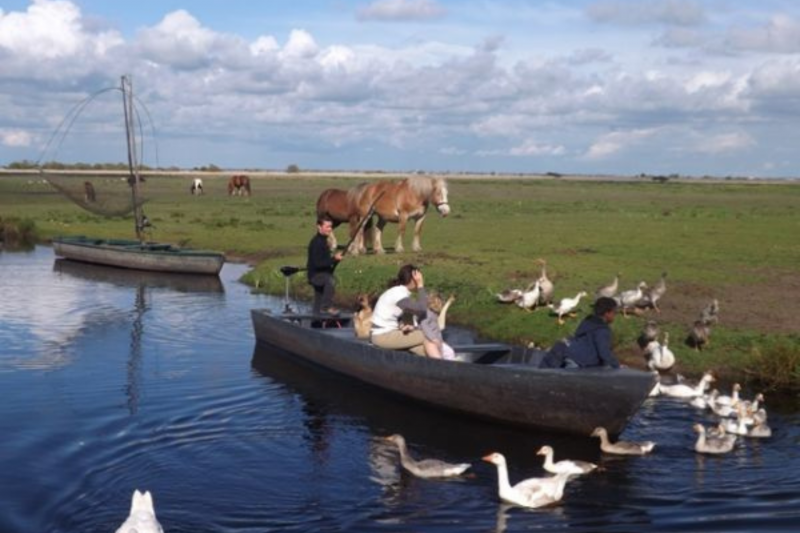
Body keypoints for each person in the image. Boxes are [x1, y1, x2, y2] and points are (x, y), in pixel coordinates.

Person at [370, 264, 438, 357]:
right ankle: (443, 365)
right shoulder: (399, 294)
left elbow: (408, 319)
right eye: (419, 278)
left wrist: (407, 326)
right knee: (429, 334)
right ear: (413, 279)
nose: (421, 280)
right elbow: (422, 309)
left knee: (422, 348)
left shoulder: (400, 293)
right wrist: (420, 286)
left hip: (387, 334)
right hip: (383, 336)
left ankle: (439, 362)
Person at [542, 296, 621, 368]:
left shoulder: (588, 321)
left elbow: (578, 335)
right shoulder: (602, 331)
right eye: (614, 313)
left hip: (569, 353)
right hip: (579, 361)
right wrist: (617, 366)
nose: (615, 315)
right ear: (607, 313)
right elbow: (604, 352)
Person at [307, 214, 343, 315]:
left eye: (331, 227)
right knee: (330, 280)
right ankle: (326, 307)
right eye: (327, 227)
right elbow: (318, 263)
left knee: (318, 299)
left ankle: (316, 318)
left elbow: (325, 261)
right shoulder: (317, 242)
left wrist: (335, 260)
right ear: (319, 227)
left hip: (322, 274)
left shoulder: (323, 241)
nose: (330, 229)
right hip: (315, 276)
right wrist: (333, 259)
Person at [419, 292, 456, 359]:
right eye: (440, 304)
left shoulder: (434, 314)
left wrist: (448, 303)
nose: (440, 306)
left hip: (438, 340)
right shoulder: (427, 313)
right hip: (431, 340)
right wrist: (433, 338)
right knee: (446, 354)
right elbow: (424, 325)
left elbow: (441, 326)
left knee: (450, 352)